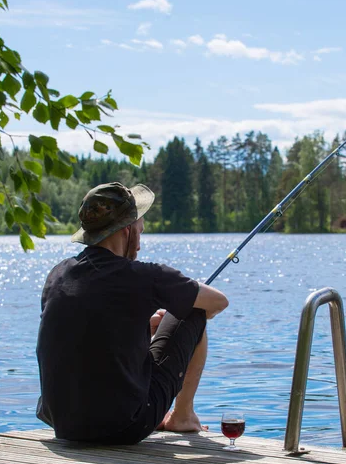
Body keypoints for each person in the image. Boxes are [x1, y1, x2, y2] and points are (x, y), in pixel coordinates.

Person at [36, 181, 228, 444]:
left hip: (62, 423)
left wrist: (140, 324)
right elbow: (218, 302)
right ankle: (182, 416)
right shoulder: (143, 276)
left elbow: (80, 330)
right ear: (127, 230)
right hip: (122, 427)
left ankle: (146, 410)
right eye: (141, 228)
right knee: (192, 308)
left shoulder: (58, 274)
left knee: (180, 305)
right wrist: (183, 297)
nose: (140, 239)